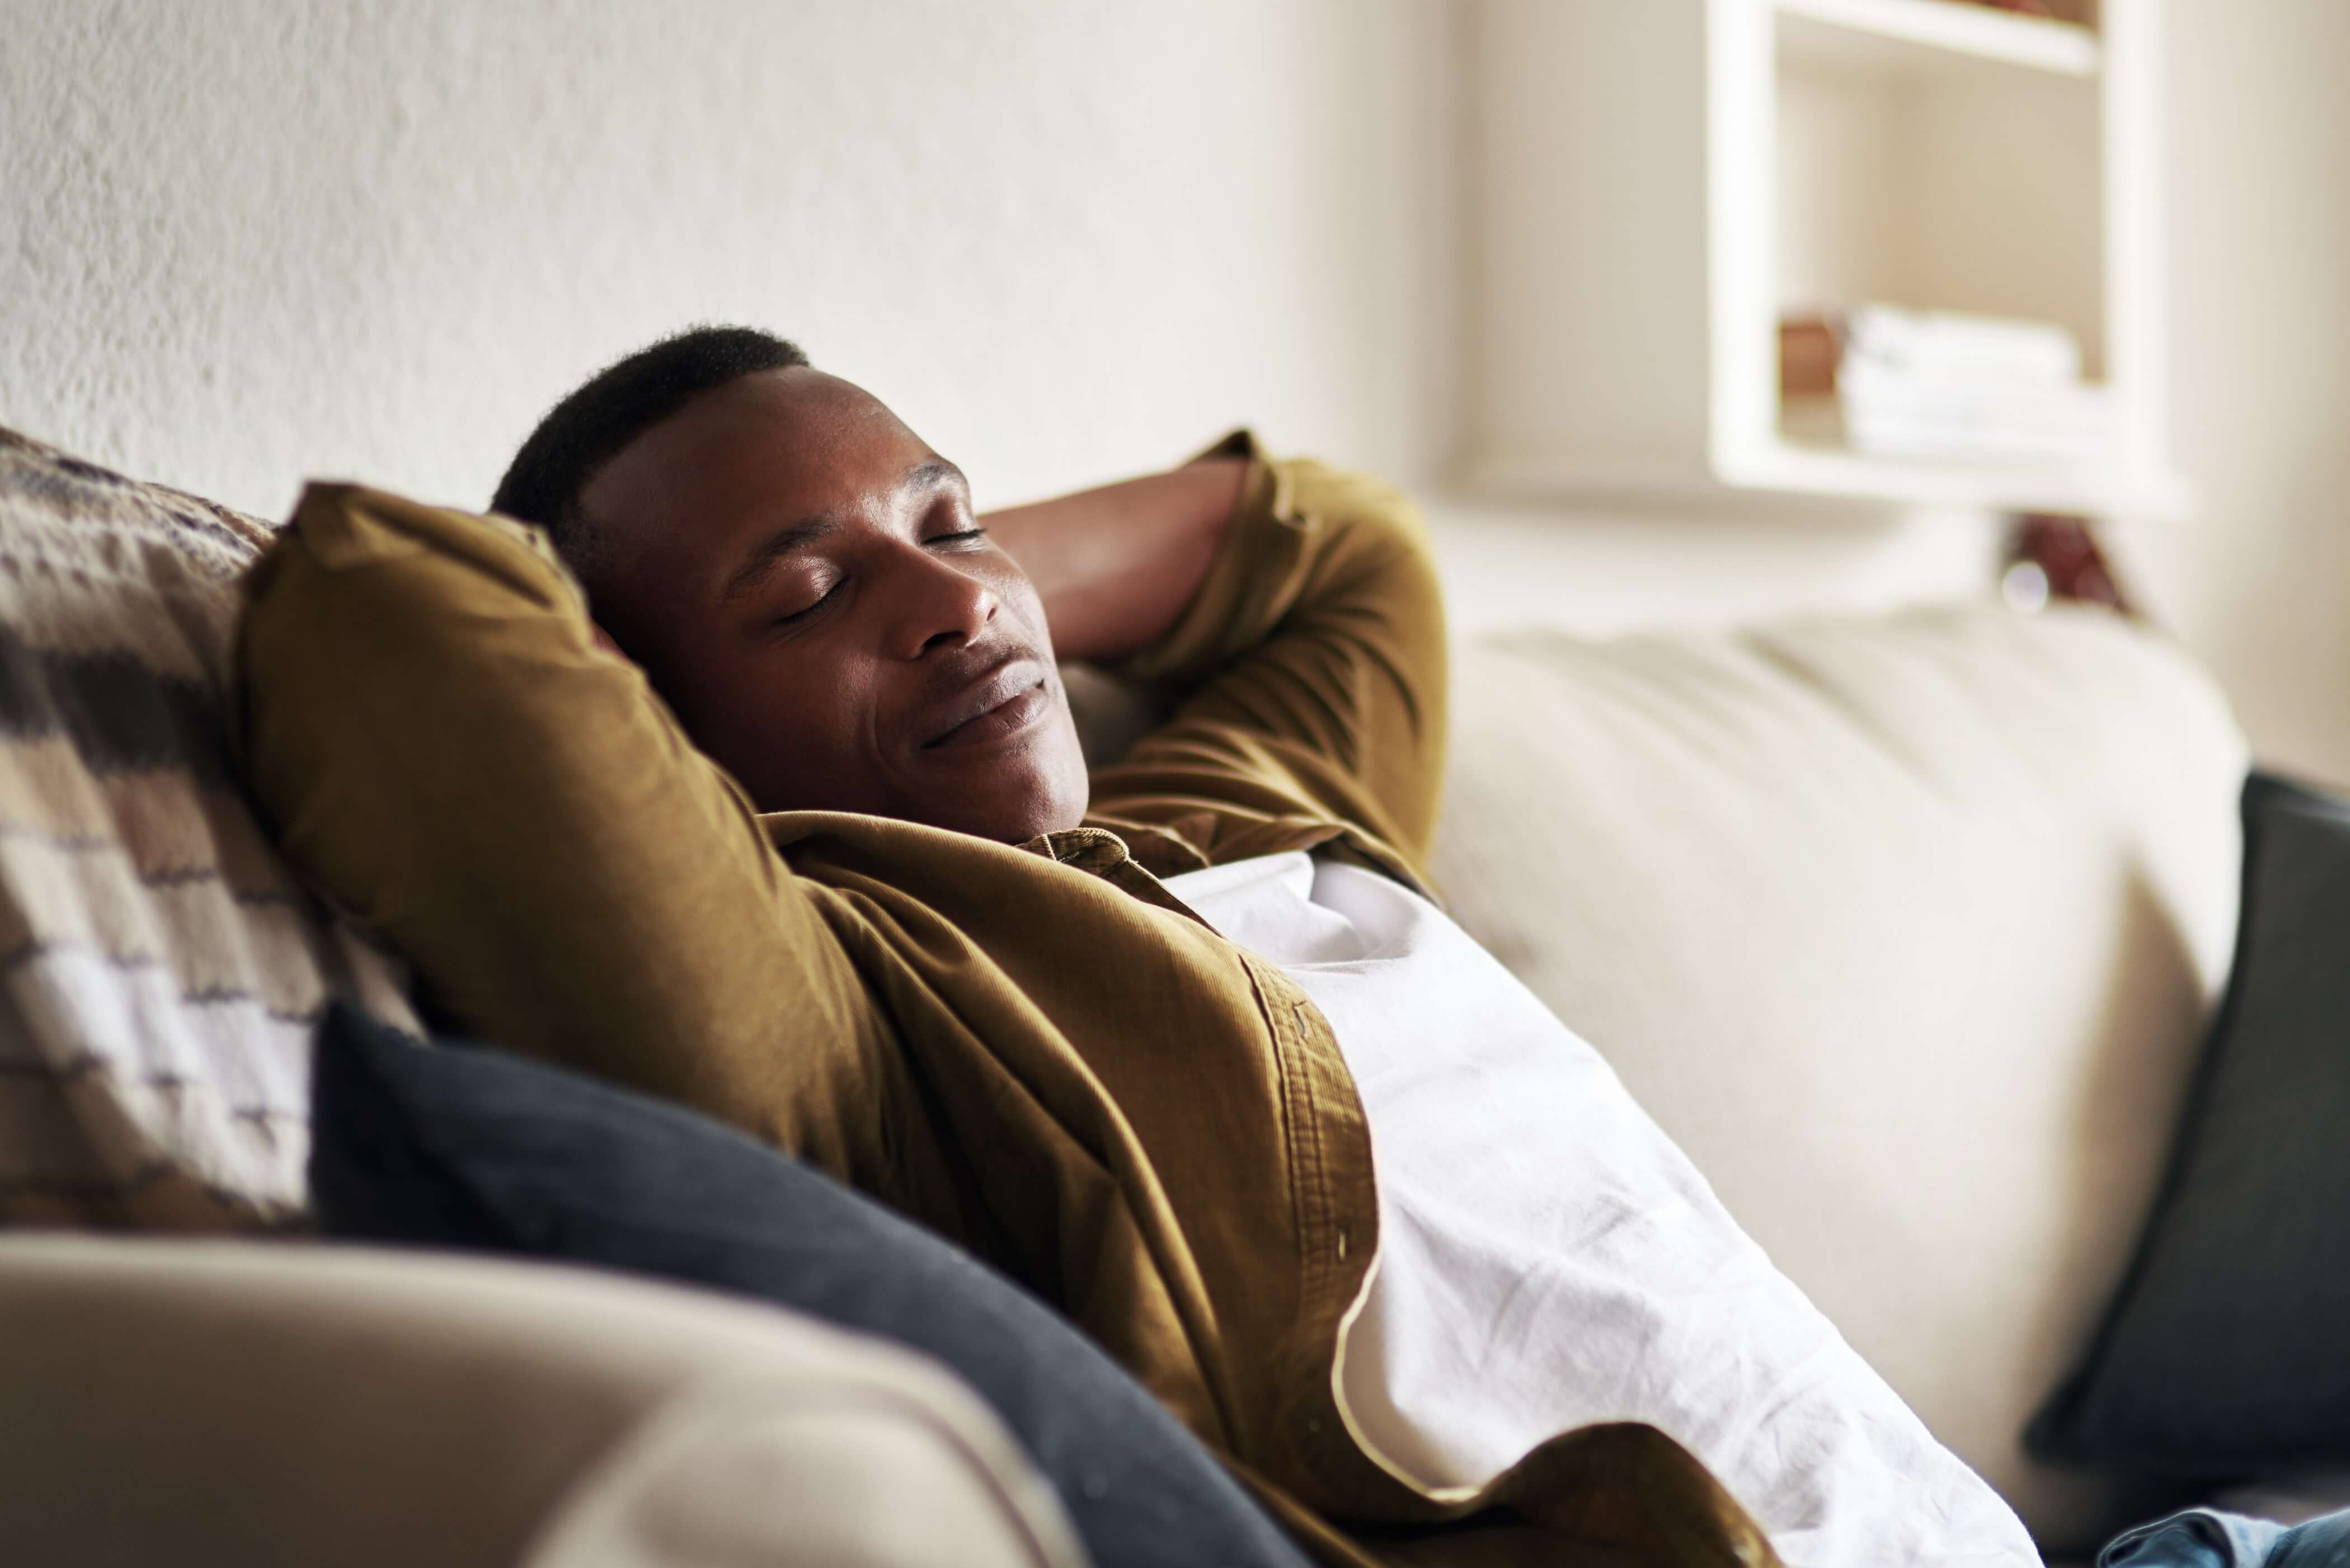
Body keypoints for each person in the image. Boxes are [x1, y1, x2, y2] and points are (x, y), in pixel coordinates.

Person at [243, 328, 2038, 1567]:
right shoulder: (845, 1014)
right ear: (657, 730)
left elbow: (1351, 550)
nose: (953, 599)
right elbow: (388, 621)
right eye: (806, 598)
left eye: (958, 524)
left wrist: (954, 588)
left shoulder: (1233, 805)